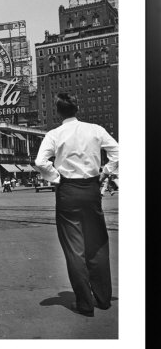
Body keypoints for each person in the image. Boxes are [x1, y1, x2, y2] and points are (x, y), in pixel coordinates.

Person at [35, 93, 119, 317]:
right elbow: (118, 152)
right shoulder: (96, 130)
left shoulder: (54, 134)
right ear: (77, 108)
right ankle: (103, 298)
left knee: (74, 248)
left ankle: (85, 303)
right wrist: (106, 172)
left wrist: (56, 177)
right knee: (98, 243)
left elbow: (40, 162)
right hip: (91, 190)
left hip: (68, 192)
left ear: (58, 112)